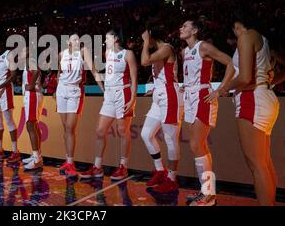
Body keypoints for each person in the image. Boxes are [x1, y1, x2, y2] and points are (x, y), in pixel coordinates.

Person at [218, 11, 280, 206]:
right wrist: (269, 83)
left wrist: (225, 88)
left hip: (252, 100)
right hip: (264, 96)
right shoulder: (263, 39)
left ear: (236, 26)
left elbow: (244, 77)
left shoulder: (246, 36)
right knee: (264, 163)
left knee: (257, 165)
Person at [179, 18, 235, 206]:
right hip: (189, 97)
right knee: (199, 146)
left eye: (185, 26)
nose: (181, 28)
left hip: (203, 97)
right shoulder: (184, 51)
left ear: (194, 30)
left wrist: (219, 90)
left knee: (196, 145)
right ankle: (206, 191)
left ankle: (209, 195)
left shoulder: (204, 47)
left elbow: (230, 63)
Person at [79, 29, 137, 181]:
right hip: (109, 95)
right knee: (99, 131)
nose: (105, 40)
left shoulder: (127, 54)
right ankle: (97, 167)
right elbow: (105, 73)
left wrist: (132, 99)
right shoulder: (107, 53)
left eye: (108, 37)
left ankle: (123, 167)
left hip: (123, 94)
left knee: (122, 131)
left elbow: (134, 78)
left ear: (116, 38)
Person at [140, 23, 183, 193]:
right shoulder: (160, 50)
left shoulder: (166, 48)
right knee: (146, 134)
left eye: (146, 36)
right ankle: (160, 170)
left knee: (170, 139)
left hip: (170, 97)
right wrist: (155, 88)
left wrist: (144, 42)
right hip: (160, 96)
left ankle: (172, 179)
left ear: (151, 35)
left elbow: (144, 61)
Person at [57, 33, 101, 177]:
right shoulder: (61, 54)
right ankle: (68, 160)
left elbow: (94, 70)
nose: (77, 41)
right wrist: (56, 87)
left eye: (78, 39)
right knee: (65, 128)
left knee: (70, 127)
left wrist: (103, 88)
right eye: (74, 39)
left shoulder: (83, 52)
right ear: (68, 42)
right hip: (61, 90)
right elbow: (59, 73)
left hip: (75, 90)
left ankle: (70, 163)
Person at [0, 38, 20, 164]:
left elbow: (13, 75)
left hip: (5, 90)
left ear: (1, 43)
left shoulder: (9, 55)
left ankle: (15, 151)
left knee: (9, 120)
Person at [21, 46, 44, 170]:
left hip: (33, 95)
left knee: (30, 125)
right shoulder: (28, 62)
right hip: (33, 95)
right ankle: (37, 155)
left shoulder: (31, 60)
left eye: (25, 50)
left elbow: (37, 71)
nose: (22, 52)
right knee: (34, 125)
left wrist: (30, 85)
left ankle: (36, 159)